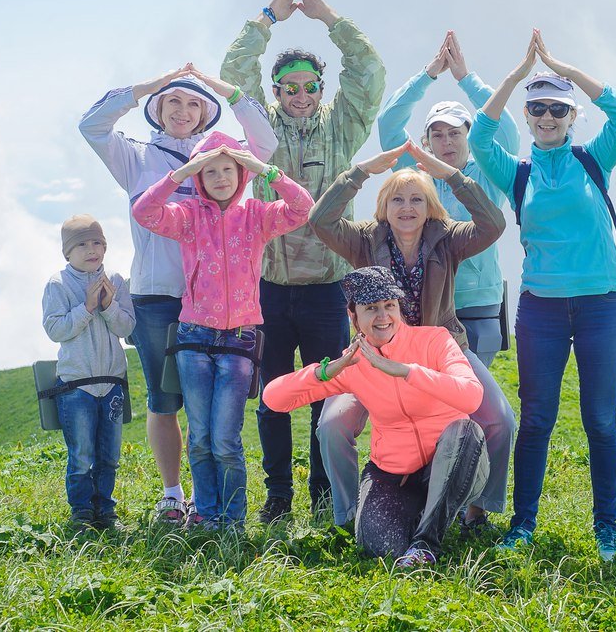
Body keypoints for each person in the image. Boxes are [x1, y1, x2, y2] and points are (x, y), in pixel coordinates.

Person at [80, 62, 277, 524]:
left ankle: (210, 503)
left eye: (193, 103)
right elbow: (91, 125)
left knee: (208, 408)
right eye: (172, 101)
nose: (183, 111)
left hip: (214, 304)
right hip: (156, 293)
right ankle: (173, 493)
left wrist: (224, 89)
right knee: (164, 399)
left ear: (207, 112)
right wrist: (143, 86)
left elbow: (265, 144)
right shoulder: (136, 157)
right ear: (157, 109)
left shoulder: (219, 158)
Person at [220, 0, 386, 524]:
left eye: (308, 86)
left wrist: (327, 17)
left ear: (320, 88)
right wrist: (267, 17)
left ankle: (320, 490)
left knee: (324, 391)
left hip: (327, 290)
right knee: (272, 395)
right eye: (288, 86)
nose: (298, 95)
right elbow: (233, 73)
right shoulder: (260, 128)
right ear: (276, 90)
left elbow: (369, 73)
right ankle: (278, 496)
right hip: (268, 285)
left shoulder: (343, 126)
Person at [468, 29, 616, 562]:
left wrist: (562, 66)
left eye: (556, 110)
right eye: (536, 109)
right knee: (537, 419)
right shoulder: (517, 172)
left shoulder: (594, 159)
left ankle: (606, 527)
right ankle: (523, 525)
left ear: (570, 117)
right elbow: (479, 137)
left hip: (603, 305)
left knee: (601, 421)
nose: (545, 118)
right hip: (540, 307)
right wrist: (517, 75)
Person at [309, 139, 514, 534]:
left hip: (442, 352)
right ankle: (351, 516)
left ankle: (478, 510)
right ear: (384, 207)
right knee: (332, 426)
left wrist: (451, 176)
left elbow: (494, 225)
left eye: (417, 200)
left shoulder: (448, 239)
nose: (407, 208)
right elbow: (321, 221)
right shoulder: (365, 241)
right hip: (374, 356)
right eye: (398, 200)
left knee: (500, 420)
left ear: (430, 207)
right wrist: (361, 171)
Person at [132, 132, 312, 529]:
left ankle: (231, 520)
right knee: (199, 437)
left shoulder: (257, 216)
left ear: (241, 173)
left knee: (225, 440)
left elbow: (302, 207)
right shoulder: (187, 216)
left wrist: (266, 170)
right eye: (208, 171)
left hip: (240, 341)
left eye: (226, 169)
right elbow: (144, 212)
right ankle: (207, 515)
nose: (218, 177)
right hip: (193, 338)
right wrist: (182, 171)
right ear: (198, 177)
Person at [262, 267, 488, 568]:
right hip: (394, 473)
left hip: (456, 461)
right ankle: (421, 518)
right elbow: (274, 399)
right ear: (353, 316)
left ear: (399, 308)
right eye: (371, 308)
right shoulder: (354, 362)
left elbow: (472, 395)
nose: (383, 316)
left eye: (389, 306)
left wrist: (407, 371)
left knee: (464, 431)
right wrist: (326, 370)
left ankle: (426, 543)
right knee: (379, 547)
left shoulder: (435, 340)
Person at [376, 30, 520, 367]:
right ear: (425, 143)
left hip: (478, 303)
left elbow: (508, 132)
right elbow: (388, 125)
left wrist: (465, 79)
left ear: (470, 136)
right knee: (429, 403)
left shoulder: (488, 171)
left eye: (455, 133)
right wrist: (428, 75)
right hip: (425, 299)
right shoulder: (417, 173)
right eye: (437, 135)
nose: (447, 142)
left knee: (472, 403)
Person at [41, 215, 135, 531]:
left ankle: (105, 510)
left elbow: (127, 327)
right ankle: (81, 511)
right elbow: (55, 329)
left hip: (110, 384)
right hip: (75, 387)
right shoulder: (58, 284)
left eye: (97, 242)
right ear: (67, 252)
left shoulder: (117, 281)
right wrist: (88, 307)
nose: (91, 249)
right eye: (81, 244)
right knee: (81, 455)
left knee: (109, 455)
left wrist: (108, 306)